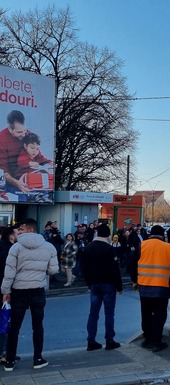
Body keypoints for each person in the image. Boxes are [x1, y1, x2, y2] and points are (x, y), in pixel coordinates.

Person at [1, 218, 58, 372]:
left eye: (21, 229)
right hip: (38, 289)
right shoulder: (49, 247)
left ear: (30, 229)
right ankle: (38, 358)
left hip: (19, 290)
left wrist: (5, 291)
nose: (19, 231)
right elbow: (53, 270)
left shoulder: (16, 248)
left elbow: (9, 272)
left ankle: (10, 360)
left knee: (15, 327)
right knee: (37, 325)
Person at [81, 224, 123, 351]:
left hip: (94, 284)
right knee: (109, 313)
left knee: (93, 313)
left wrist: (89, 283)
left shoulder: (88, 248)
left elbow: (84, 268)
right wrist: (119, 286)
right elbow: (115, 269)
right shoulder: (109, 249)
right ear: (107, 235)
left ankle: (91, 340)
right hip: (108, 284)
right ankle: (109, 340)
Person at [136, 225, 170, 352]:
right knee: (159, 314)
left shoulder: (142, 244)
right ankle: (157, 341)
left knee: (146, 314)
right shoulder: (169, 247)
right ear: (163, 235)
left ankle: (147, 339)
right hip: (162, 287)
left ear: (151, 234)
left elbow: (132, 263)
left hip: (144, 285)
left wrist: (136, 279)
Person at [0, 110, 30, 192]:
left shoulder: (28, 134)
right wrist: (17, 183)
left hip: (27, 180)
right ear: (10, 128)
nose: (23, 135)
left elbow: (37, 155)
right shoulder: (2, 139)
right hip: (9, 183)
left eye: (25, 131)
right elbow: (2, 172)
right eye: (19, 132)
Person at [0, 226, 17, 364]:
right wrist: (7, 291)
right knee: (4, 322)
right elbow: (7, 273)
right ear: (10, 236)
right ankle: (3, 353)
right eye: (16, 233)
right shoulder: (9, 250)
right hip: (4, 291)